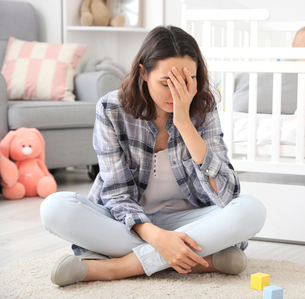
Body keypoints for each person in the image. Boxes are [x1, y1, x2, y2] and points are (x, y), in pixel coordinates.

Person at [40, 25, 267, 286]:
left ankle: (116, 268)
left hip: (190, 219)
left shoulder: (204, 108)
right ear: (143, 73)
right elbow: (116, 195)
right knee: (54, 208)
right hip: (130, 224)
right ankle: (202, 259)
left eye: (188, 80)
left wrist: (184, 123)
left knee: (252, 210)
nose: (178, 92)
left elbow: (227, 194)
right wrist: (157, 238)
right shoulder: (111, 108)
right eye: (167, 82)